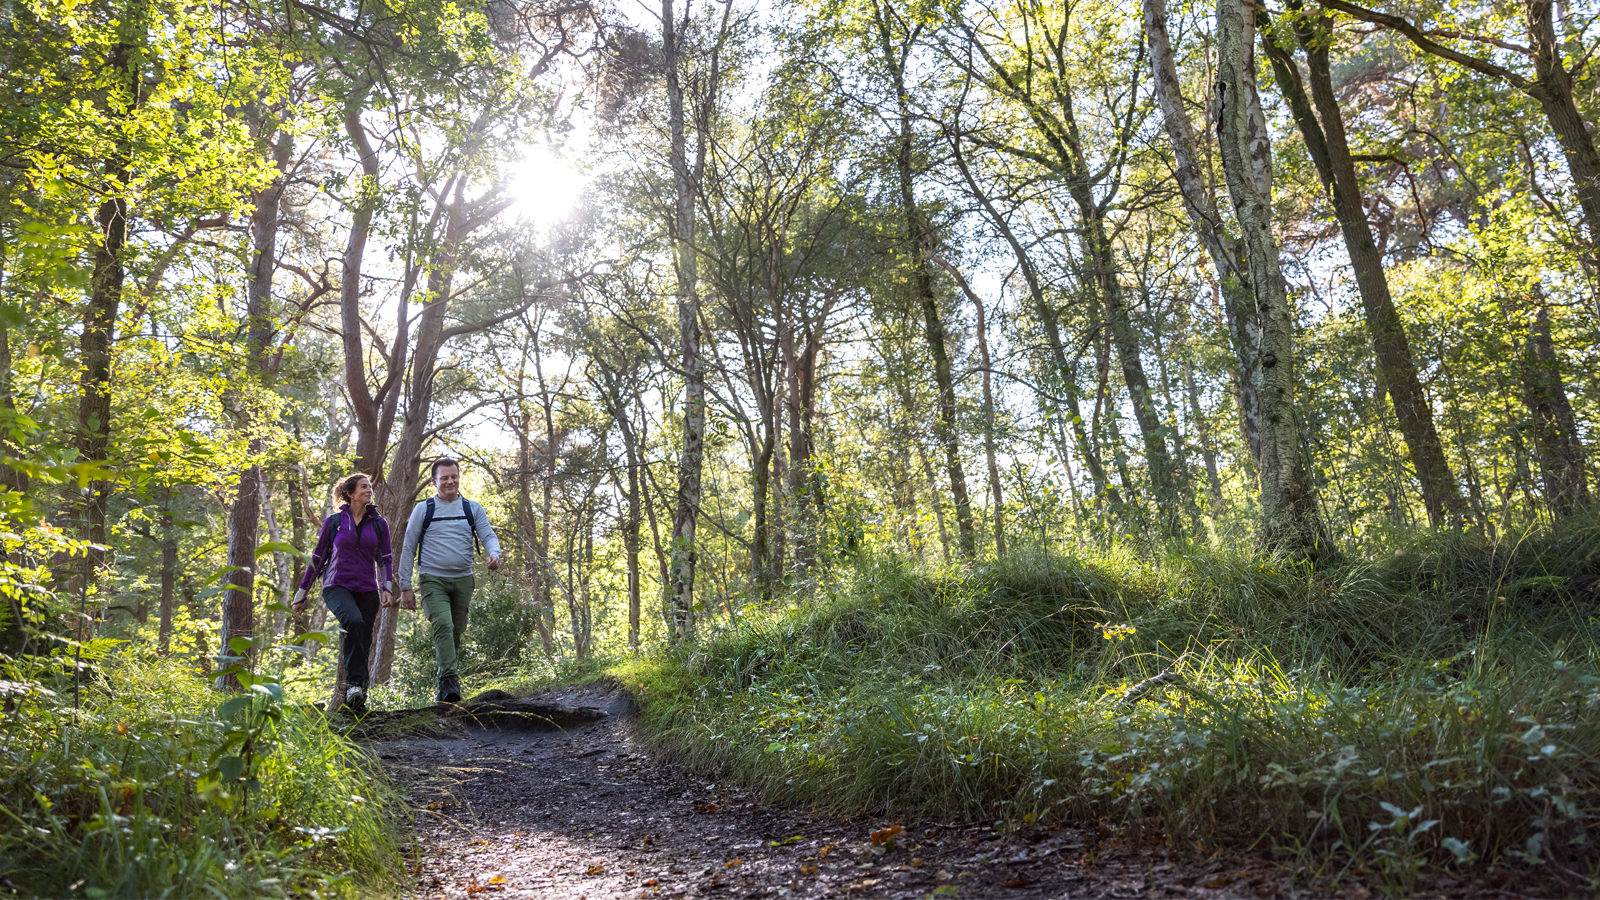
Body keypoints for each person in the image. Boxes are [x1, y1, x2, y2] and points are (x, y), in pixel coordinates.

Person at [399, 457, 501, 703]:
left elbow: (487, 535)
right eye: (444, 477)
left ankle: (444, 688)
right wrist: (405, 586)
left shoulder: (471, 508)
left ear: (459, 477)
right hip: (433, 579)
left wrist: (494, 552)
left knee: (455, 632)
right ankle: (449, 686)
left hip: (464, 580)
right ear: (434, 481)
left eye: (453, 476)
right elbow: (408, 547)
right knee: (443, 625)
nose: (449, 481)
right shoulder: (424, 509)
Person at [292, 473, 395, 714]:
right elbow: (317, 558)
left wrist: (386, 587)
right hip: (337, 585)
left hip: (368, 589)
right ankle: (354, 687)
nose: (369, 490)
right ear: (350, 493)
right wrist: (301, 593)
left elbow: (385, 559)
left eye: (370, 486)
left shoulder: (379, 524)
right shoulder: (334, 522)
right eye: (363, 486)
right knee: (352, 621)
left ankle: (357, 700)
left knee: (364, 638)